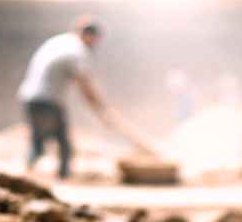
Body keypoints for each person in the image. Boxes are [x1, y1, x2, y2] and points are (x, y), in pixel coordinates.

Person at [17, 17, 150, 178]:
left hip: (30, 97)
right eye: (96, 40)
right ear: (90, 35)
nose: (95, 45)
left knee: (40, 141)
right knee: (62, 145)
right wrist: (102, 110)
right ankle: (57, 178)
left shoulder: (59, 41)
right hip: (47, 101)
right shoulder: (76, 50)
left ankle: (31, 174)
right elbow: (85, 84)